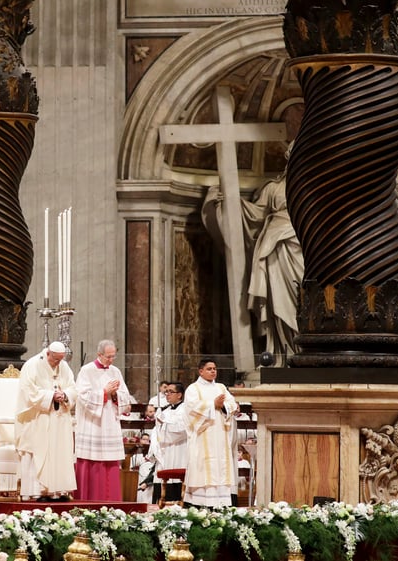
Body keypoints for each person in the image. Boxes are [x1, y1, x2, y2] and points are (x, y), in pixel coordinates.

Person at [201, 145, 304, 366]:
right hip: (274, 250)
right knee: (278, 301)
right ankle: (281, 352)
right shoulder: (273, 188)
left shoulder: (316, 187)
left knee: (302, 300)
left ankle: (305, 352)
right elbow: (255, 216)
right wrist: (229, 202)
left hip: (304, 247)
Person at [15, 341, 77, 501]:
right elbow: (28, 391)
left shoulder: (63, 366)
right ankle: (38, 491)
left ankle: (59, 492)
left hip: (59, 418)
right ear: (48, 353)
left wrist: (65, 395)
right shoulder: (32, 365)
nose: (58, 363)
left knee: (60, 452)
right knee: (39, 451)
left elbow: (72, 387)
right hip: (38, 418)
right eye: (55, 359)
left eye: (61, 359)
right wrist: (50, 396)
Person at [73, 339, 132, 500]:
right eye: (108, 357)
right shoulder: (87, 371)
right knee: (91, 461)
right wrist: (104, 392)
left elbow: (126, 397)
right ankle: (88, 498)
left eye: (113, 356)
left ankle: (112, 500)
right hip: (93, 423)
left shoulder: (115, 371)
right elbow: (82, 397)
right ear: (99, 354)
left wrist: (115, 395)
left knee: (110, 462)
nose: (111, 360)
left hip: (110, 423)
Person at [183, 358, 238, 508]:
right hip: (203, 434)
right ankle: (200, 504)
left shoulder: (221, 387)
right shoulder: (193, 389)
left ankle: (221, 504)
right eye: (209, 369)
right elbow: (191, 409)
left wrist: (224, 406)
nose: (213, 371)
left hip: (220, 433)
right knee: (203, 466)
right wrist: (212, 405)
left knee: (220, 466)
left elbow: (232, 404)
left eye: (214, 368)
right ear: (200, 371)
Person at [148, 381, 188, 505]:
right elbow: (157, 433)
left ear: (180, 395)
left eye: (171, 392)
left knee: (176, 484)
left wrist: (164, 424)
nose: (167, 394)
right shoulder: (164, 411)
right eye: (166, 392)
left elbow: (182, 430)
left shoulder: (185, 410)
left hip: (179, 450)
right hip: (165, 452)